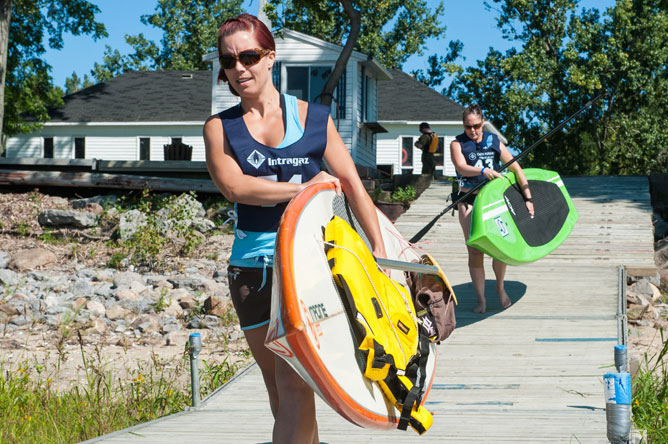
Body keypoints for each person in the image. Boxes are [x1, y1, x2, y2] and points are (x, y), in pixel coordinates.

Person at [203, 13, 387, 444]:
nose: (239, 68)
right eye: (229, 61)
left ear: (270, 57)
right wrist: (304, 188)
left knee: (296, 386)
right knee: (282, 393)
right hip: (251, 272)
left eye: (248, 56)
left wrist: (379, 250)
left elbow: (354, 189)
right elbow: (233, 187)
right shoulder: (219, 127)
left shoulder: (316, 119)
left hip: (306, 271)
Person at [449, 104, 534, 314]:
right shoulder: (457, 143)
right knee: (475, 250)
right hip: (468, 200)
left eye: (476, 126)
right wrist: (482, 170)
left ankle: (500, 286)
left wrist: (528, 197)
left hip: (494, 203)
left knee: (499, 247)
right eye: (468, 127)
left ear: (483, 122)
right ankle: (481, 299)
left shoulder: (494, 141)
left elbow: (516, 167)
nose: (473, 131)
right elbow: (460, 167)